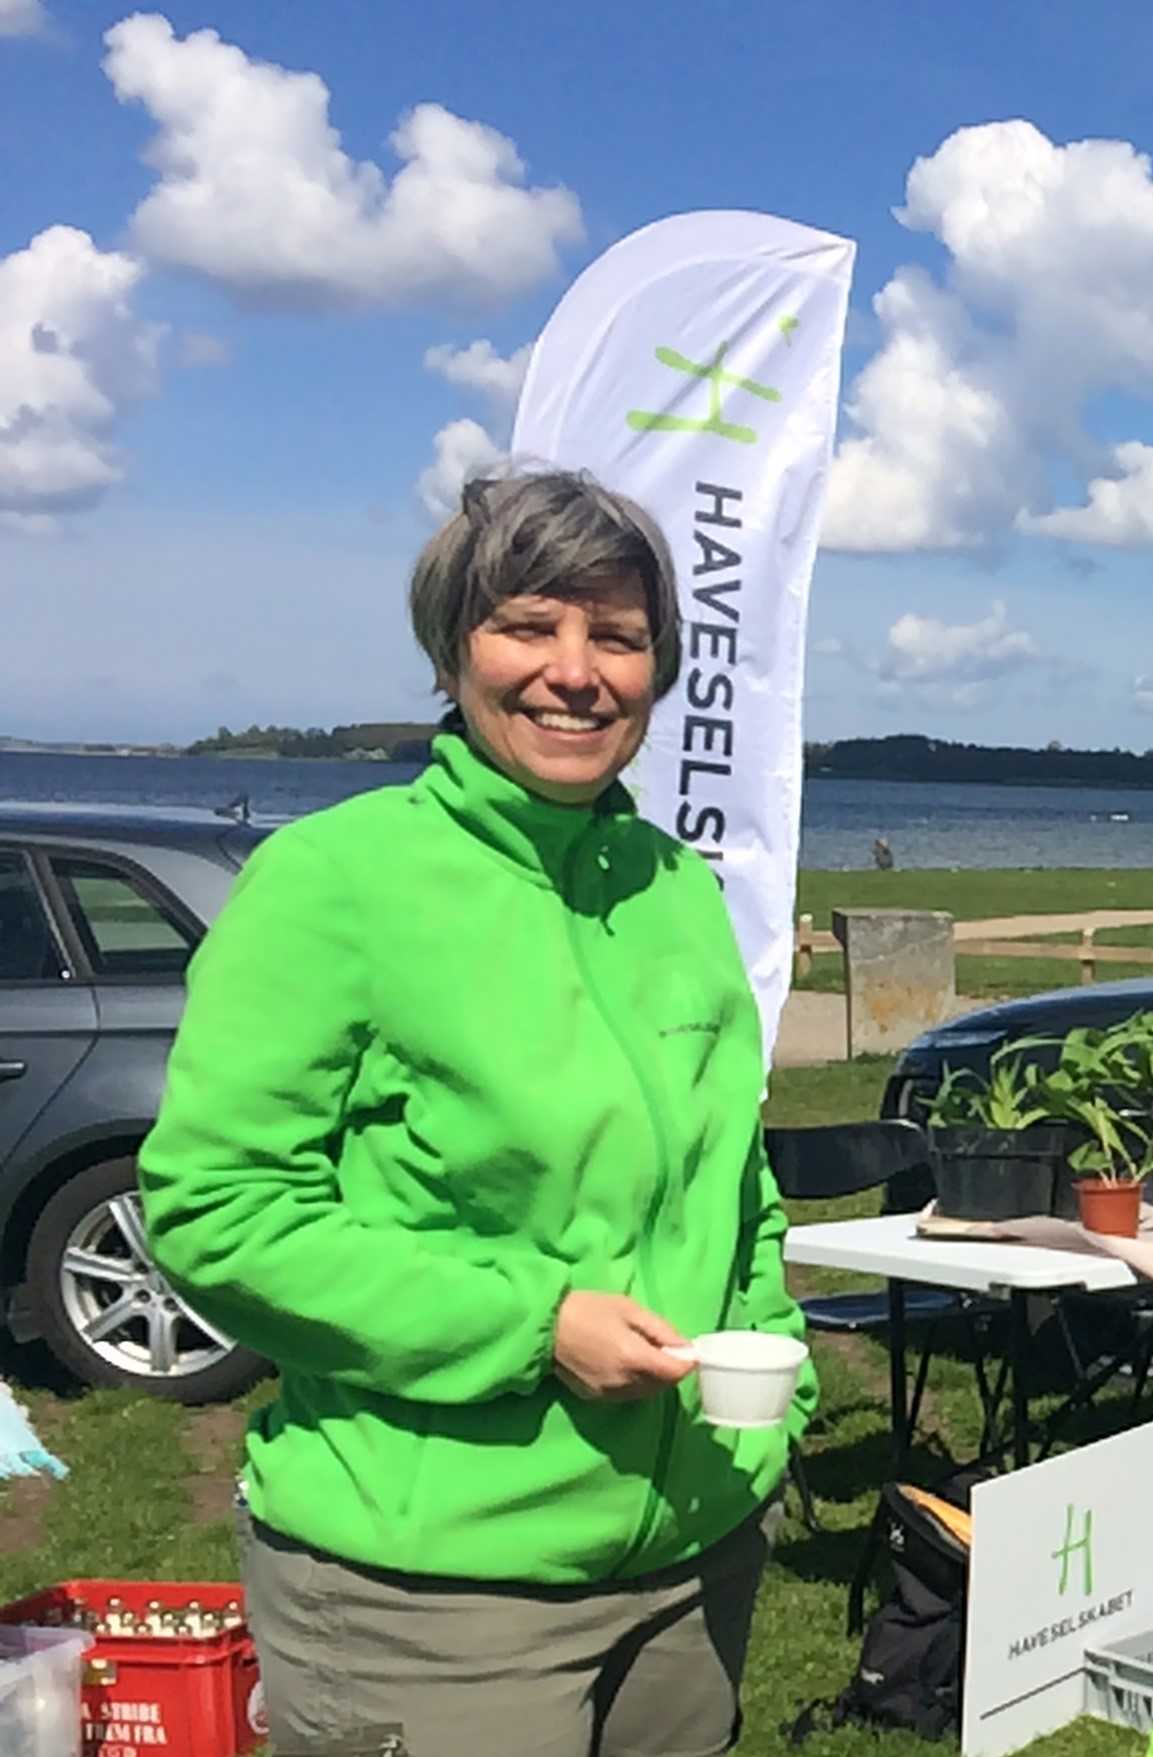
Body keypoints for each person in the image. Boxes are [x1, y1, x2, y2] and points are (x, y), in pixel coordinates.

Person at [138, 470, 817, 1757]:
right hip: (431, 1592)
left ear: (660, 668)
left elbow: (735, 1181)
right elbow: (222, 1213)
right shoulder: (334, 880)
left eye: (618, 636)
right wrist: (533, 1325)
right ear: (454, 653)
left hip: (694, 1556)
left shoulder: (676, 888)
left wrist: (775, 1383)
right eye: (528, 625)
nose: (576, 672)